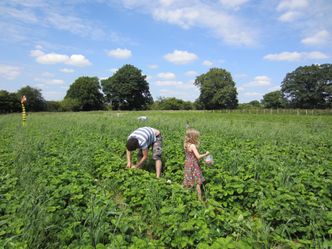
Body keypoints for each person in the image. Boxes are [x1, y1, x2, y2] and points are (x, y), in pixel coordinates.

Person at [183, 128, 209, 201]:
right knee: (198, 182)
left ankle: (186, 196)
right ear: (192, 137)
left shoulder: (185, 144)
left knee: (189, 179)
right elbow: (198, 156)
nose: (197, 138)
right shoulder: (192, 146)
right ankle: (200, 199)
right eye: (196, 136)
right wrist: (206, 154)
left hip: (187, 164)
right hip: (193, 164)